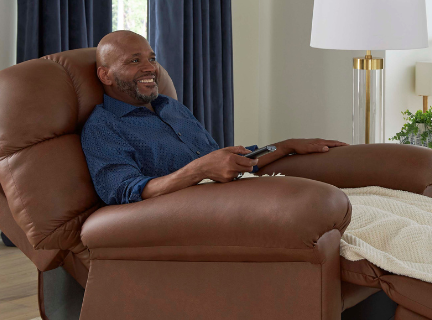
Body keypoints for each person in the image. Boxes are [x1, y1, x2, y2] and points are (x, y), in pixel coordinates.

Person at [81, 30, 346, 205]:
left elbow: (218, 163)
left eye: (152, 58)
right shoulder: (103, 126)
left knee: (340, 202)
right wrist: (199, 170)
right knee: (317, 204)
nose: (150, 67)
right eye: (134, 61)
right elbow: (124, 191)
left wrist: (287, 146)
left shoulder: (170, 107)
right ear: (105, 75)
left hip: (230, 194)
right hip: (190, 213)